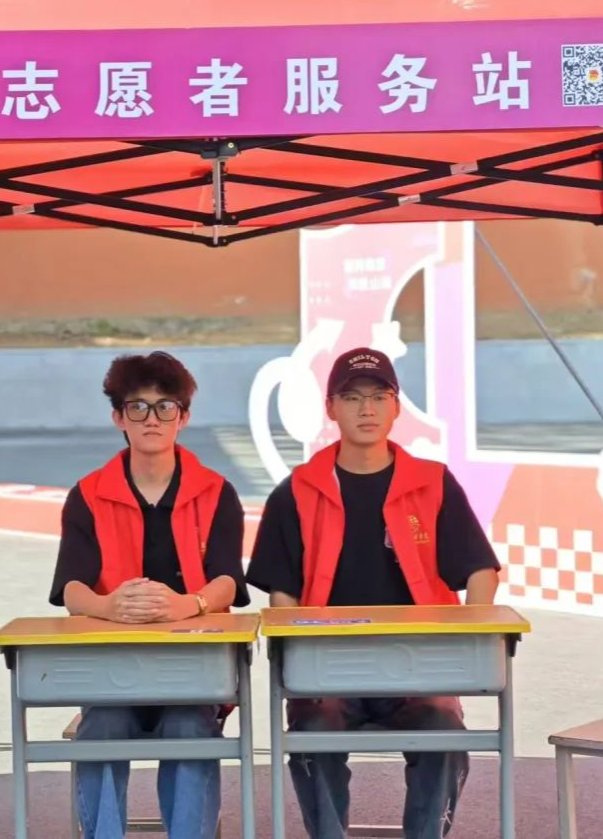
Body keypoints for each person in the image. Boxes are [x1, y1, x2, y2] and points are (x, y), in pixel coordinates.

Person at [246, 347, 501, 839]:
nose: (367, 409)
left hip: (419, 665)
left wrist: (465, 642)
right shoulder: (296, 490)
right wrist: (302, 658)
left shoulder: (433, 483)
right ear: (330, 408)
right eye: (352, 397)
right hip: (328, 670)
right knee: (312, 732)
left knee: (443, 729)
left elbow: (479, 572)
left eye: (379, 396)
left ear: (396, 406)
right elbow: (283, 597)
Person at [49, 350, 249, 839]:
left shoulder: (216, 492)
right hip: (112, 671)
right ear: (119, 418)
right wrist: (108, 606)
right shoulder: (88, 494)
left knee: (189, 728)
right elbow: (71, 588)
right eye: (137, 407)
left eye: (165, 407)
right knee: (101, 729)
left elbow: (228, 580)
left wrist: (188, 604)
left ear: (184, 417)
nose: (152, 418)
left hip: (192, 671)